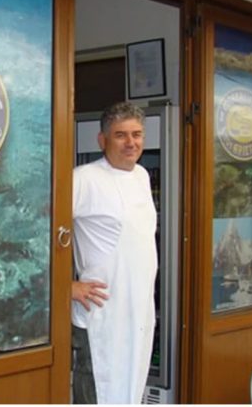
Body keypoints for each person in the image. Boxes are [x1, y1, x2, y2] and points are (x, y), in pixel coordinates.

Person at [71, 102, 158, 404]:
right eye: (121, 135)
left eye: (137, 134)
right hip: (102, 315)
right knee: (99, 389)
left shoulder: (142, 176)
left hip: (138, 312)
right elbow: (40, 231)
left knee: (131, 388)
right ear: (102, 140)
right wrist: (65, 285)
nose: (131, 143)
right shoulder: (83, 178)